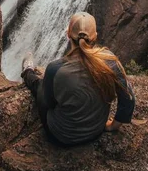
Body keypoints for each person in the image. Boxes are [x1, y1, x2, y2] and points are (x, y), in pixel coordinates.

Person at [21, 11, 135, 146]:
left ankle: (28, 71)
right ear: (95, 36)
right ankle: (29, 73)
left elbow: (49, 104)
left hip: (60, 137)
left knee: (41, 87)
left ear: (68, 34)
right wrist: (113, 126)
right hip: (96, 131)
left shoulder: (55, 68)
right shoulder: (110, 61)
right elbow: (129, 98)